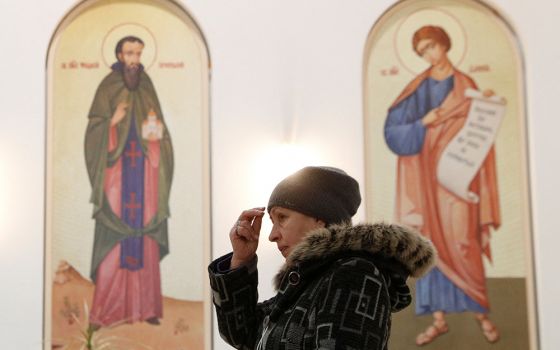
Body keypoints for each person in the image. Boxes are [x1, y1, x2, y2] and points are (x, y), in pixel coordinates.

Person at [208, 166, 436, 349]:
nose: (272, 235)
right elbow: (244, 335)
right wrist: (241, 260)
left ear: (320, 219)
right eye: (272, 222)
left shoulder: (353, 275)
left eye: (283, 218)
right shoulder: (308, 283)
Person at [384, 25, 501, 345]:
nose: (429, 55)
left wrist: (487, 107)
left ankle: (481, 315)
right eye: (422, 52)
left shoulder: (466, 85)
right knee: (429, 244)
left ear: (445, 45)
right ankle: (439, 321)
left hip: (459, 181)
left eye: (432, 47)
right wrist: (424, 122)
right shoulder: (417, 88)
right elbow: (393, 131)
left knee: (464, 243)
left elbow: (481, 131)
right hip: (424, 183)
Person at [84, 35, 174, 329]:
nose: (135, 59)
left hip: (145, 176)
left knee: (143, 237)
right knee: (115, 239)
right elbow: (94, 131)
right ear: (120, 55)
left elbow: (161, 132)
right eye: (130, 53)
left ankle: (146, 308)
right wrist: (112, 122)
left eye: (138, 53)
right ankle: (106, 312)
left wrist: (156, 137)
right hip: (116, 176)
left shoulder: (146, 85)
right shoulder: (107, 86)